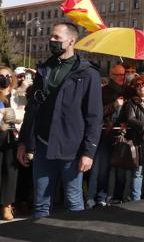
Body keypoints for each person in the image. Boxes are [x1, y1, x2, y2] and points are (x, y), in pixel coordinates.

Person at [17, 22, 103, 217]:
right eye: (51, 37)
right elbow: (32, 108)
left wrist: (88, 152)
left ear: (71, 40)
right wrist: (24, 142)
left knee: (73, 200)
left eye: (57, 38)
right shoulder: (44, 69)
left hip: (71, 149)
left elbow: (94, 116)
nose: (51, 40)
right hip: (42, 145)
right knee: (40, 203)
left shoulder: (88, 73)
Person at [87, 64, 129, 207]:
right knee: (103, 168)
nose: (122, 77)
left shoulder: (128, 91)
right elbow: (98, 112)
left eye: (123, 74)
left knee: (121, 169)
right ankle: (101, 197)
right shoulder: (103, 91)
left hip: (122, 135)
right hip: (106, 133)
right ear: (111, 75)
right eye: (118, 74)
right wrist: (114, 105)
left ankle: (118, 197)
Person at [0, 66, 23, 220]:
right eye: (1, 76)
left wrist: (12, 116)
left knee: (10, 172)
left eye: (8, 75)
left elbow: (23, 114)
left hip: (13, 137)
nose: (5, 78)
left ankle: (7, 205)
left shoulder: (19, 95)